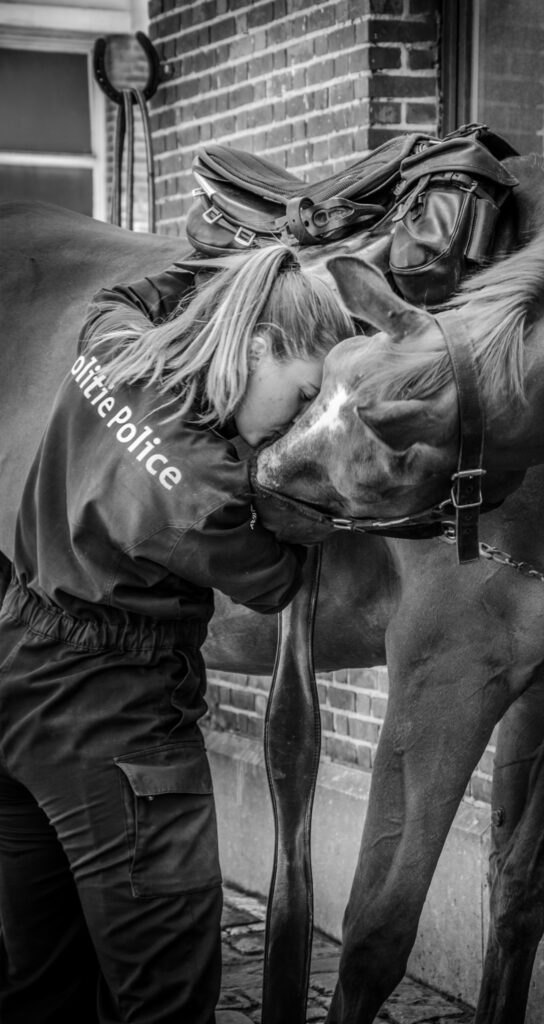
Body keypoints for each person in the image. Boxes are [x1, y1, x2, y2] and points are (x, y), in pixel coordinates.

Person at [0, 244, 353, 1024]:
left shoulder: (114, 343)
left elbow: (131, 289)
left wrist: (229, 266)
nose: (298, 422)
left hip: (15, 678)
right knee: (169, 999)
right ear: (256, 345)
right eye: (300, 397)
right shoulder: (206, 488)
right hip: (118, 728)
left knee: (40, 986)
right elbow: (279, 579)